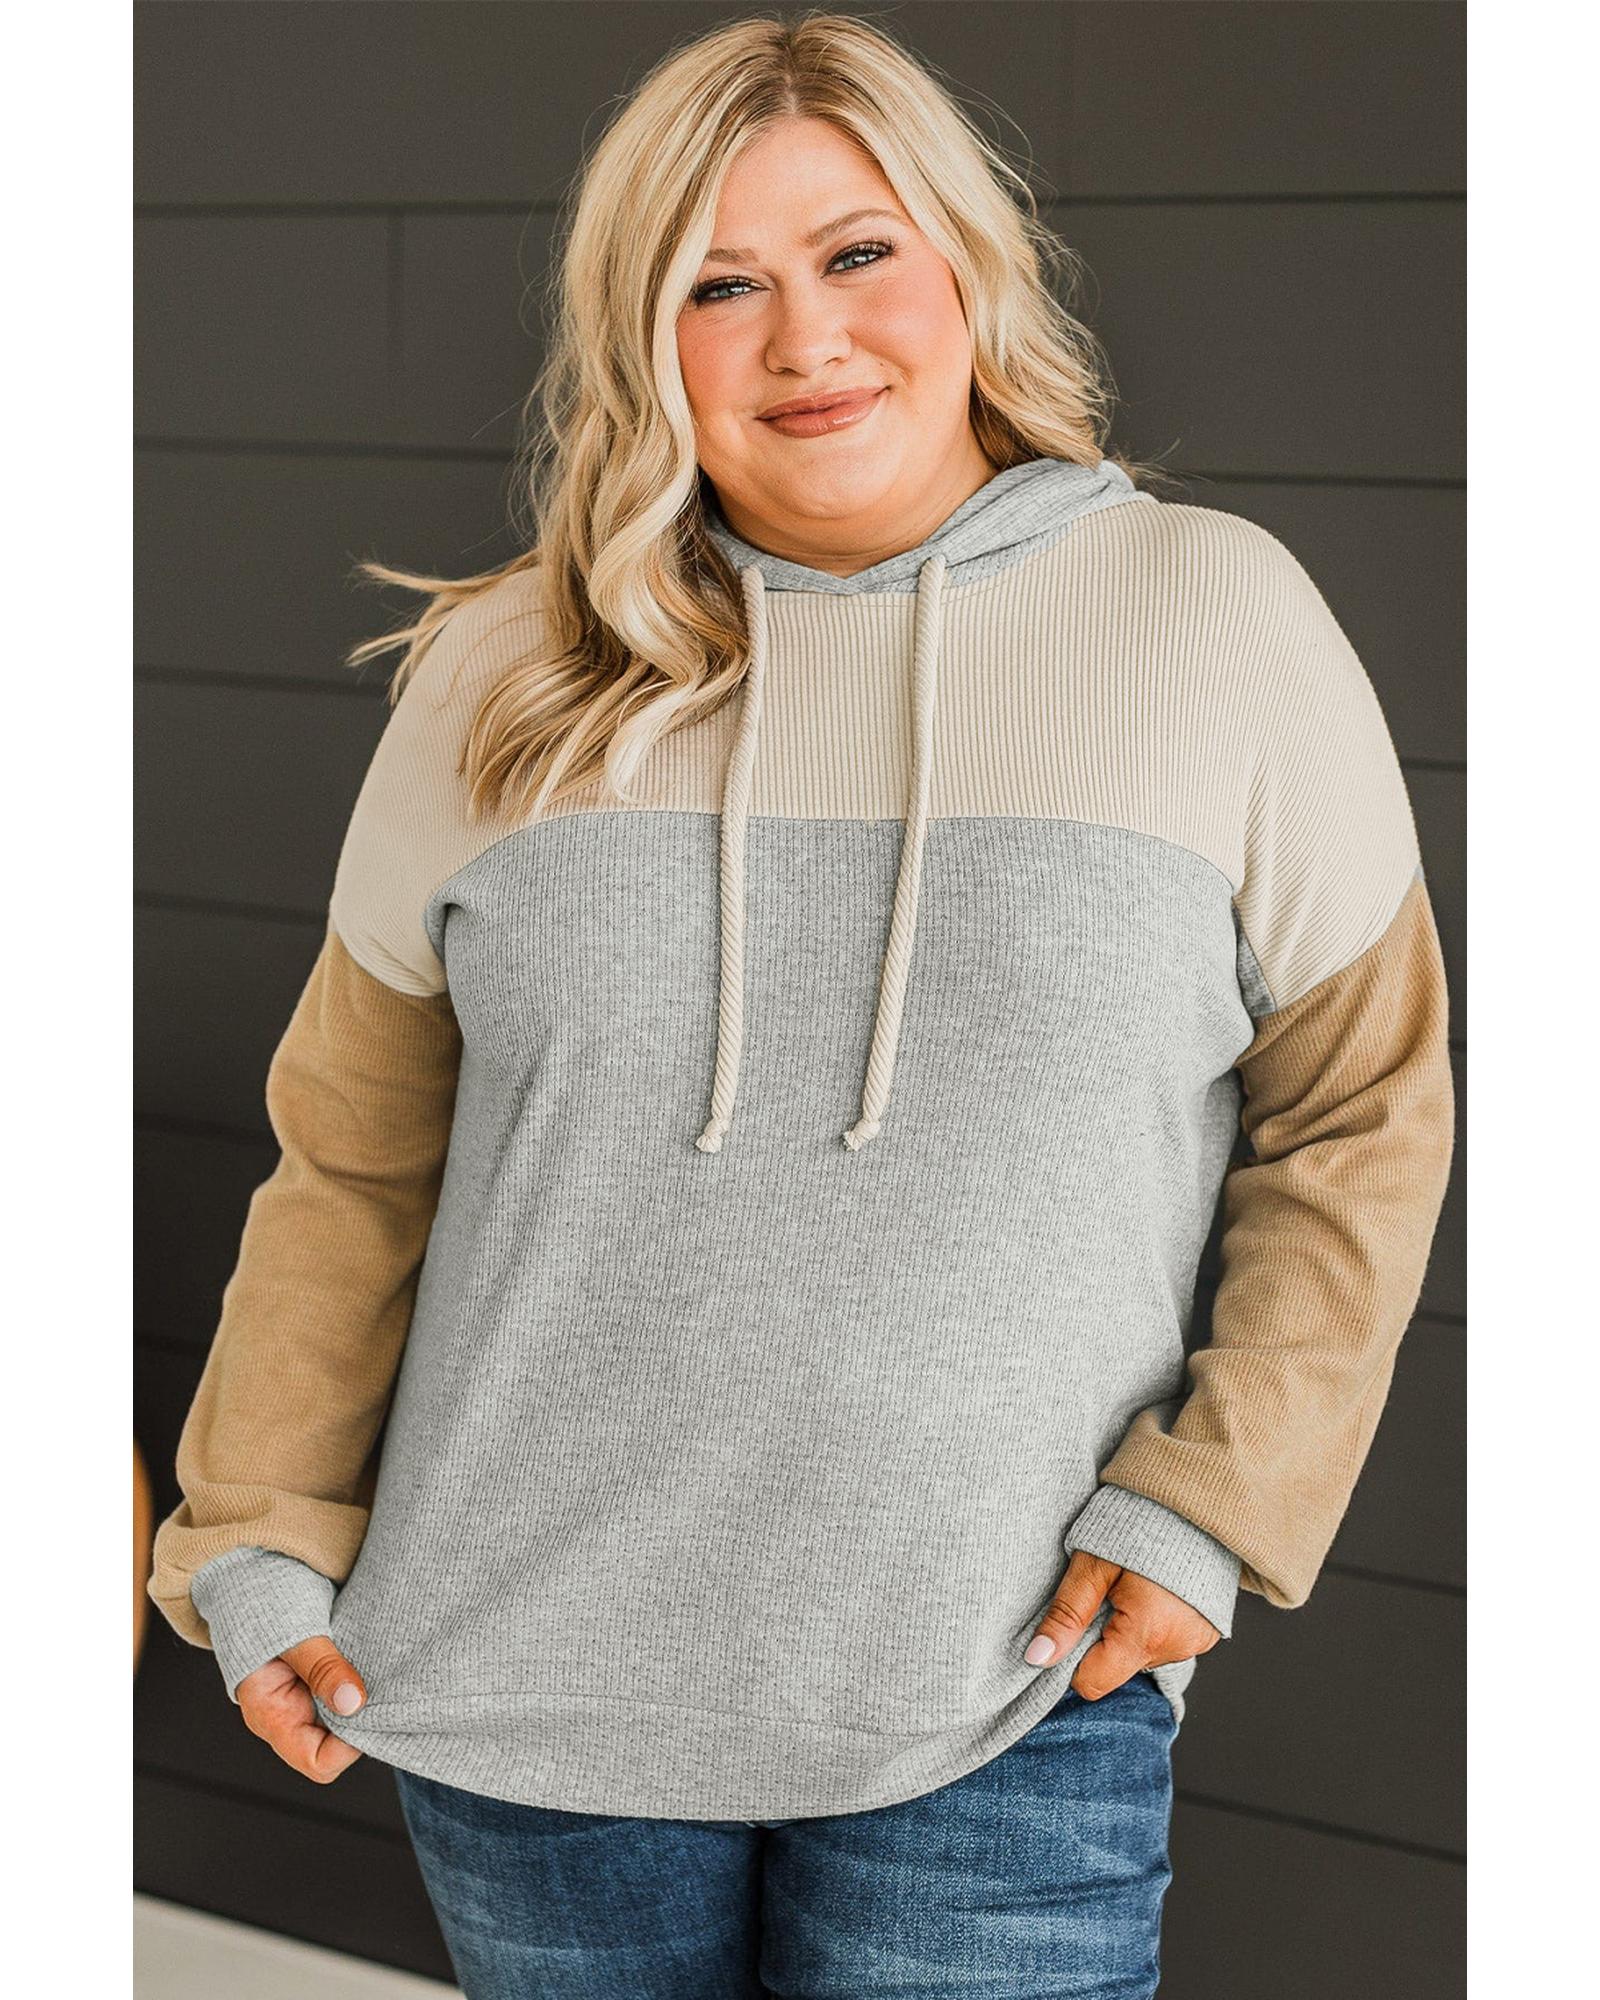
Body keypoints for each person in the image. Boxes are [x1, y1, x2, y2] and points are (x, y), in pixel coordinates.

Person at [145, 12, 1455, 1996]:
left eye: (855, 254)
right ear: (639, 336)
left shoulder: (1211, 618)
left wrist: (1218, 1501)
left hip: (1005, 1682)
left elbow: (1363, 1110)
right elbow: (350, 1160)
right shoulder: (504, 670)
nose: (803, 340)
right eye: (716, 284)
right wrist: (248, 1524)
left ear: (966, 266)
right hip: (522, 1686)